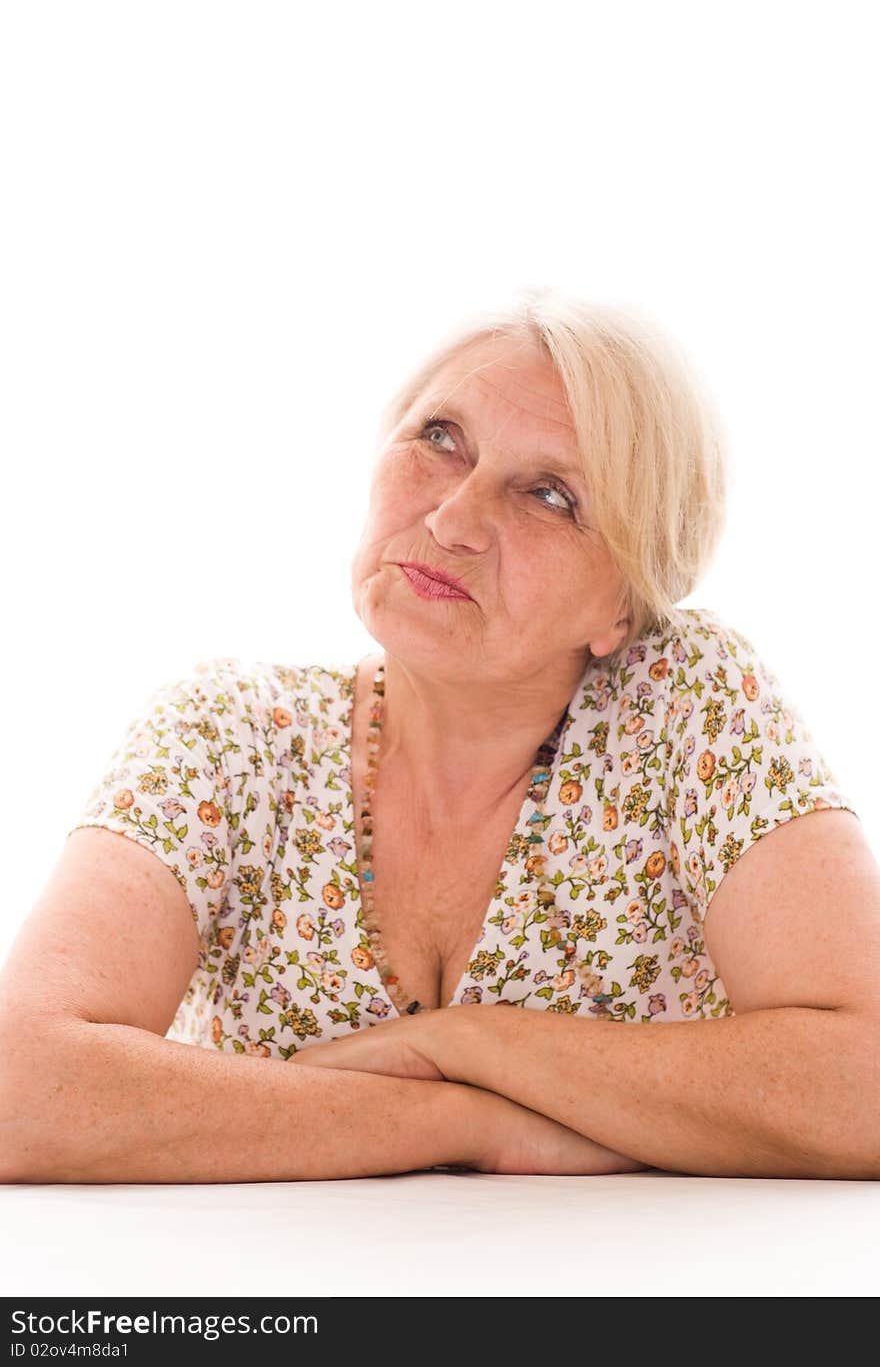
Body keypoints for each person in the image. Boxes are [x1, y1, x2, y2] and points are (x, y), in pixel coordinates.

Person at [2, 288, 875, 1184]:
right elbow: (22, 1087)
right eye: (440, 438)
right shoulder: (229, 734)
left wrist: (469, 1041)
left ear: (624, 602)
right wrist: (461, 1120)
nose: (454, 518)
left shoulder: (688, 705)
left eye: (549, 494)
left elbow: (863, 1085)